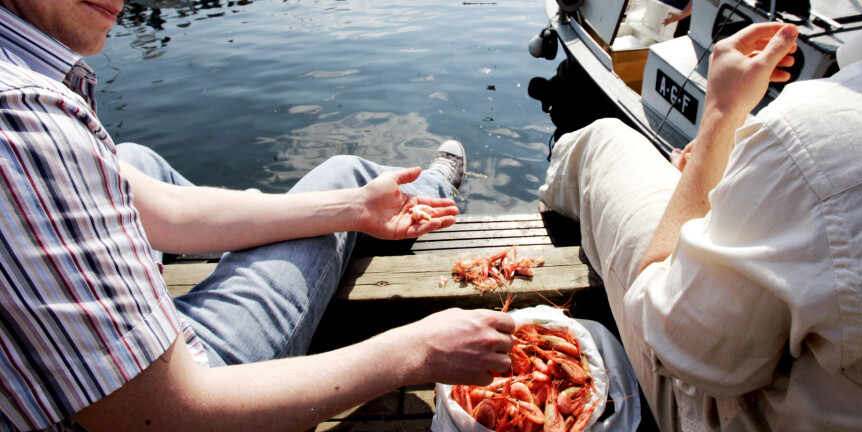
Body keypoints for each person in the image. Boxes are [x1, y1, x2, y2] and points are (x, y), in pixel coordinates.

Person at [0, 1, 518, 431]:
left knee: (133, 161)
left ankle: (364, 204)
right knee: (343, 171)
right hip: (180, 392)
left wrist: (356, 212)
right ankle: (429, 186)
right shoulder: (25, 120)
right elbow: (166, 414)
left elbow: (170, 211)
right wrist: (417, 350)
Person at [539, 0, 862, 430]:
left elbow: (674, 345)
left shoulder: (818, 139)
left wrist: (720, 117)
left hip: (739, 415)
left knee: (603, 142)